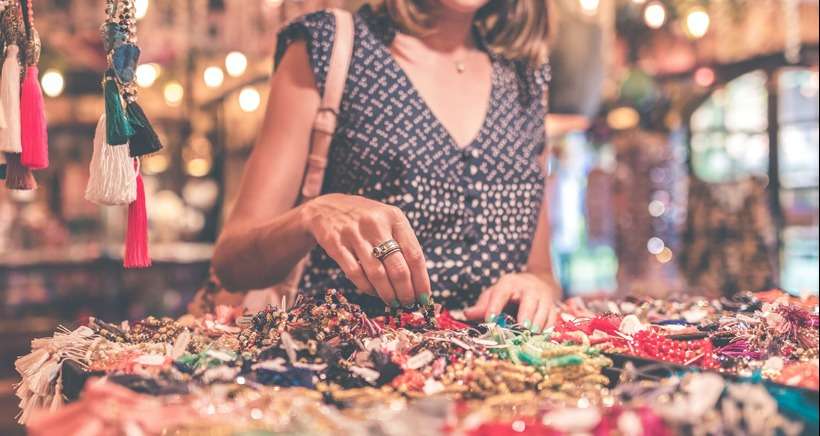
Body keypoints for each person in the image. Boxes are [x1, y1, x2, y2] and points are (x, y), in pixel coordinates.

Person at [213, 0, 561, 332]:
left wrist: (534, 287)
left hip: (497, 377)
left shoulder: (525, 75)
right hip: (344, 372)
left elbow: (541, 272)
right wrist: (312, 215)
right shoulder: (331, 45)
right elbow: (232, 263)